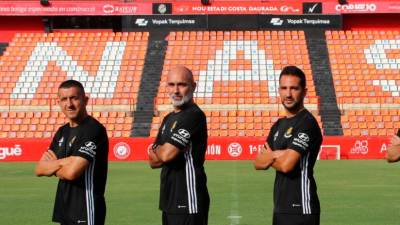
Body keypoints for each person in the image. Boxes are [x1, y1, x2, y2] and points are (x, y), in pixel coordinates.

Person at [254, 66, 322, 225]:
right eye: (284, 88)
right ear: (279, 91)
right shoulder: (278, 125)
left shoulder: (307, 123)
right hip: (280, 207)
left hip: (302, 208)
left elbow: (286, 165)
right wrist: (277, 154)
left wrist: (271, 155)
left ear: (304, 92)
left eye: (294, 88)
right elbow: (258, 162)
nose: (288, 94)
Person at [35, 80, 109, 225]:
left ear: (85, 100)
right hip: (65, 209)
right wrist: (66, 162)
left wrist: (54, 166)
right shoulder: (62, 131)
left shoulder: (93, 129)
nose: (69, 104)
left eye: (74, 98)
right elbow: (39, 169)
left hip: (86, 210)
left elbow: (72, 173)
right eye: (64, 99)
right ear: (59, 102)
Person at [149, 66, 210, 225]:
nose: (176, 90)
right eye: (171, 84)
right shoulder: (168, 119)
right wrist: (160, 150)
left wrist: (158, 149)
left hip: (189, 199)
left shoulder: (194, 115)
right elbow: (152, 161)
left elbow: (165, 155)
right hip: (169, 199)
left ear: (193, 87)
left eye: (182, 84)